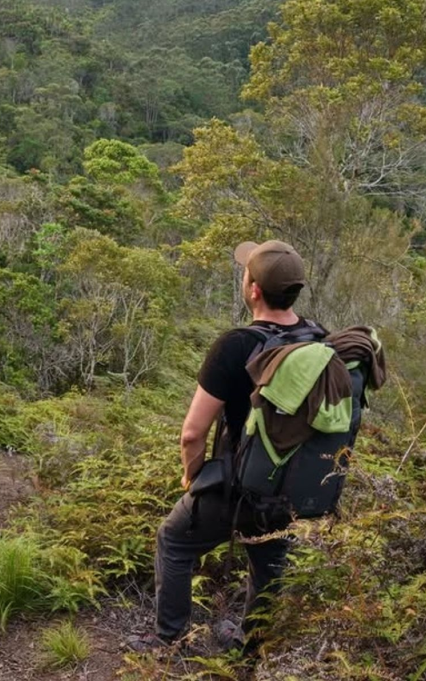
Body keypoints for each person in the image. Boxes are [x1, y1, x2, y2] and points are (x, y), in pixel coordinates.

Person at [128, 239, 311, 654]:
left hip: (238, 486)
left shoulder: (236, 345)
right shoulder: (318, 341)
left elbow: (192, 432)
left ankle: (169, 639)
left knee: (174, 541)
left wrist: (192, 477)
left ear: (253, 290)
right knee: (269, 562)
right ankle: (251, 650)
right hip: (292, 488)